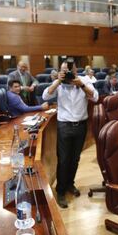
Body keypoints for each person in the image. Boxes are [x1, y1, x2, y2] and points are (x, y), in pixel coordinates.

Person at [42, 60, 98, 208]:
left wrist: (81, 85)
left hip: (81, 126)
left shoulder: (84, 80)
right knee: (64, 160)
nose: (66, 73)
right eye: (63, 70)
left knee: (75, 159)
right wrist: (58, 82)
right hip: (64, 126)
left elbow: (95, 97)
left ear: (75, 70)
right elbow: (45, 97)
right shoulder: (59, 83)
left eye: (69, 70)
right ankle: (60, 191)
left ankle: (69, 184)